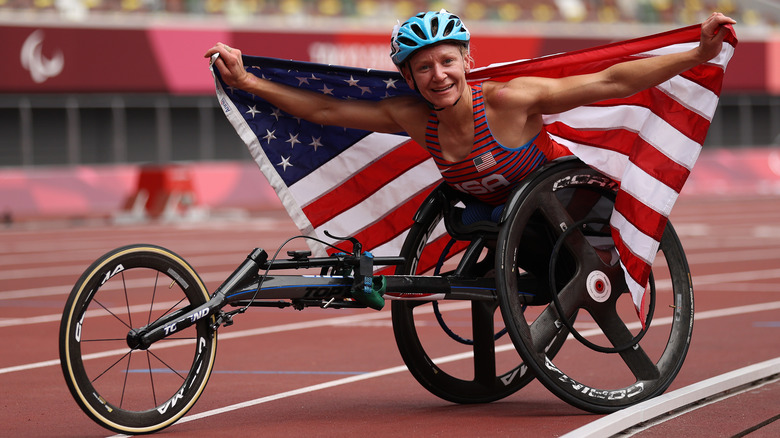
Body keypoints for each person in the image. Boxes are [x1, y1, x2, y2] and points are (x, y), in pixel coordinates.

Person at [205, 10, 735, 224]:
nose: (438, 75)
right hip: (500, 224)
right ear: (408, 79)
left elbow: (609, 81)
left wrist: (697, 55)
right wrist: (247, 81)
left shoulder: (509, 99)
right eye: (423, 68)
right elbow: (325, 108)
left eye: (447, 62)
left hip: (574, 214)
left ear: (467, 63)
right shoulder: (415, 118)